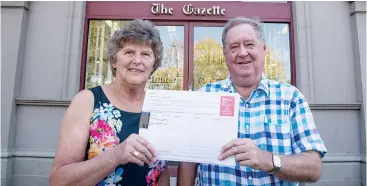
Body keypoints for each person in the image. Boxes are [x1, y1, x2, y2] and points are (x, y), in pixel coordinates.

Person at [177, 17, 327, 186]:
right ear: (225, 54)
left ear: (264, 49)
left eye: (249, 44)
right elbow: (188, 161)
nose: (242, 52)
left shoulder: (290, 98)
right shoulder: (205, 96)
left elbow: (314, 168)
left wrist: (268, 160)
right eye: (234, 47)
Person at [49, 19, 170, 186]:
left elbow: (160, 173)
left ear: (154, 64)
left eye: (146, 54)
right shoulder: (87, 102)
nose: (137, 60)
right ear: (114, 60)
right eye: (129, 52)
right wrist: (116, 155)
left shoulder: (159, 107)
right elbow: (59, 180)